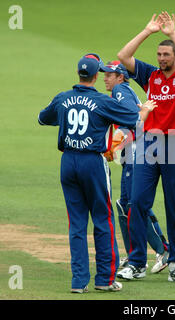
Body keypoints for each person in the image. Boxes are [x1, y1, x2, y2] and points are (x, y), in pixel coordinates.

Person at [38, 53, 156, 293]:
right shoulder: (103, 101)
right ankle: (104, 279)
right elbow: (133, 120)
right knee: (103, 220)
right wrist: (143, 109)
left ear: (78, 74)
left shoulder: (63, 98)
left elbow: (42, 118)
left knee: (77, 223)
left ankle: (78, 282)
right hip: (93, 163)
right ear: (95, 75)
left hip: (68, 162)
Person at [116, 12, 175, 283]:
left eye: (167, 55)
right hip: (149, 145)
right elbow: (123, 57)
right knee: (137, 201)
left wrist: (172, 35)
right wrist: (147, 31)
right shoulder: (150, 75)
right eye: (159, 54)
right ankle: (137, 262)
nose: (162, 58)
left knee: (174, 208)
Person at [101, 60, 169, 274]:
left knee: (132, 204)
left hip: (138, 153)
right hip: (135, 153)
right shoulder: (122, 91)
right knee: (125, 204)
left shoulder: (121, 90)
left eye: (109, 74)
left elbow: (135, 121)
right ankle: (135, 255)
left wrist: (117, 143)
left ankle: (162, 251)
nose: (105, 77)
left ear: (120, 76)